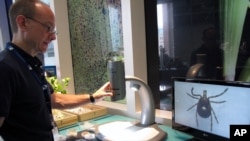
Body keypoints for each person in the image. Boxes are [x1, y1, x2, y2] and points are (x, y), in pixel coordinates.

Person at [0, 0, 113, 140]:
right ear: (23, 23)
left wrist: (94, 97)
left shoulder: (30, 64)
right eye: (48, 28)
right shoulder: (5, 67)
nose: (53, 37)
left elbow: (55, 99)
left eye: (53, 31)